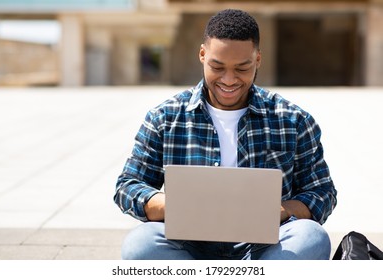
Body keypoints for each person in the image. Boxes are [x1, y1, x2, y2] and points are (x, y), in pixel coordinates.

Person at [114, 9, 337, 260]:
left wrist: (281, 210)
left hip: (264, 248)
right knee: (139, 245)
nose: (229, 80)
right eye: (217, 67)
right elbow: (128, 186)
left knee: (312, 237)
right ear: (202, 55)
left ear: (258, 59)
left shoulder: (294, 119)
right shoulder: (165, 117)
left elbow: (322, 192)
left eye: (242, 68)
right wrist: (172, 205)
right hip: (188, 246)